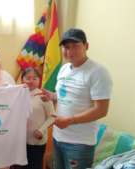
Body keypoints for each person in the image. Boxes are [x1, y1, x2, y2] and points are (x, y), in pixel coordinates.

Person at [48, 28, 113, 169]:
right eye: (66, 47)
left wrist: (70, 120)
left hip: (79, 143)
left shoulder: (98, 72)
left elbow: (101, 110)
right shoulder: (64, 68)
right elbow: (64, 97)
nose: (70, 51)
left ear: (86, 46)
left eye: (76, 46)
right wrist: (51, 96)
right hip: (58, 137)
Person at [18, 67, 54, 169]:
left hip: (36, 141)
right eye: (28, 78)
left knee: (34, 166)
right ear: (22, 79)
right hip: (20, 141)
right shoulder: (18, 94)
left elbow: (52, 117)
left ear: (39, 80)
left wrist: (41, 130)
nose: (31, 81)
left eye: (35, 78)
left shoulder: (43, 96)